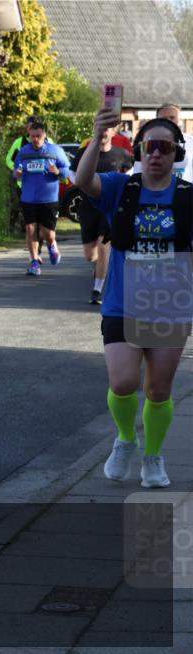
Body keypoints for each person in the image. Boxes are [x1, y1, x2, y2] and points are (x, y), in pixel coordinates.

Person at [75, 104, 192, 489]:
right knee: (123, 382)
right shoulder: (120, 188)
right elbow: (82, 179)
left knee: (158, 390)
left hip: (171, 307)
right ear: (140, 151)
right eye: (150, 147)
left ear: (177, 154)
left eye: (165, 147)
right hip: (123, 303)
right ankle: (126, 437)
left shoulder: (189, 197)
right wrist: (98, 133)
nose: (156, 154)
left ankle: (154, 459)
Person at [69, 126, 133, 305]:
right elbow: (72, 173)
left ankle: (97, 290)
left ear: (114, 133)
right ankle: (98, 269)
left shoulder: (121, 154)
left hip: (111, 209)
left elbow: (131, 173)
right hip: (89, 208)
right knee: (91, 255)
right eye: (100, 129)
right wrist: (82, 184)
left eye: (108, 129)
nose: (104, 132)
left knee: (104, 248)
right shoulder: (85, 152)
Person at [13, 120, 71, 275]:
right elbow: (16, 170)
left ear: (44, 135)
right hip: (29, 198)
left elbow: (67, 169)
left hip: (49, 199)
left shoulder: (55, 150)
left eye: (38, 136)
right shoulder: (24, 152)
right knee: (30, 229)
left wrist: (58, 172)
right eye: (32, 136)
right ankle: (34, 262)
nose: (35, 139)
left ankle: (52, 246)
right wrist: (17, 174)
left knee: (48, 233)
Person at [133, 103, 193, 182]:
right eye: (164, 118)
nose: (168, 121)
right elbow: (139, 171)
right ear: (157, 120)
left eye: (172, 117)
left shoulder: (190, 141)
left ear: (179, 119)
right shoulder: (147, 141)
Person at [5, 116, 43, 235]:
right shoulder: (19, 142)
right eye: (31, 126)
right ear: (27, 127)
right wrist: (17, 169)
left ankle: (40, 232)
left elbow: (55, 158)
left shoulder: (48, 141)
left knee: (41, 210)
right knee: (28, 211)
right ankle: (30, 233)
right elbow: (8, 160)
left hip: (43, 184)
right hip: (24, 184)